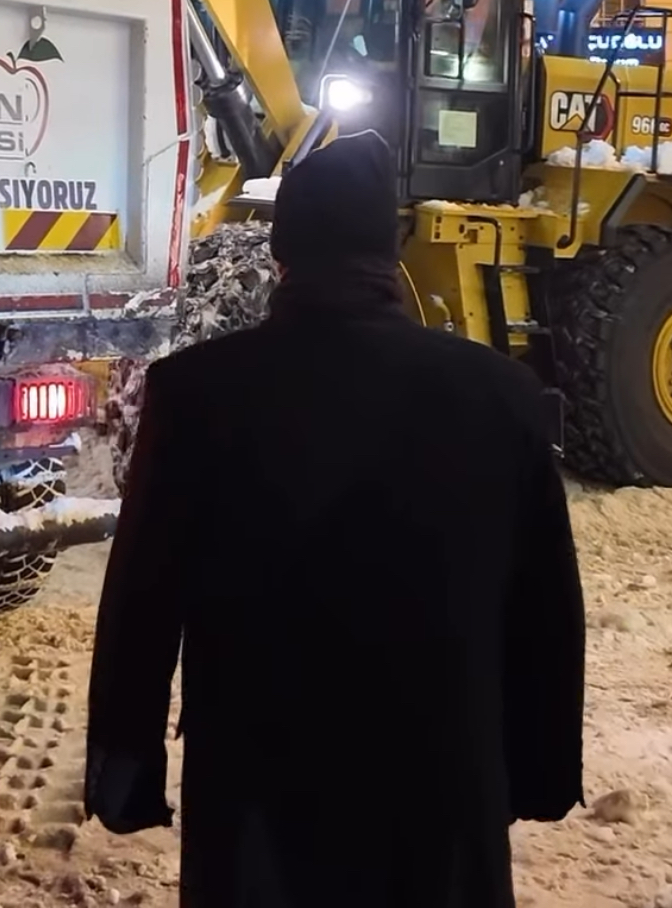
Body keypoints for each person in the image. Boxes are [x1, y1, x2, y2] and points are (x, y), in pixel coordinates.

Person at [85, 131, 585, 908]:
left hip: (259, 812)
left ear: (281, 254)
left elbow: (141, 603)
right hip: (441, 805)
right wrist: (541, 769)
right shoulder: (502, 395)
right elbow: (546, 610)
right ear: (390, 250)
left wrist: (125, 771)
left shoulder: (196, 394)